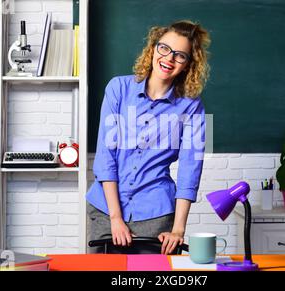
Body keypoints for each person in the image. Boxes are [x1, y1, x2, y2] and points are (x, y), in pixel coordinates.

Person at [86, 20, 211, 255]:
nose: (169, 59)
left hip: (156, 215)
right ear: (153, 48)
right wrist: (115, 217)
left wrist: (178, 230)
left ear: (188, 64)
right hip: (105, 210)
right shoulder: (118, 89)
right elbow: (106, 156)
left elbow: (190, 168)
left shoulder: (193, 107)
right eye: (164, 48)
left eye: (180, 55)